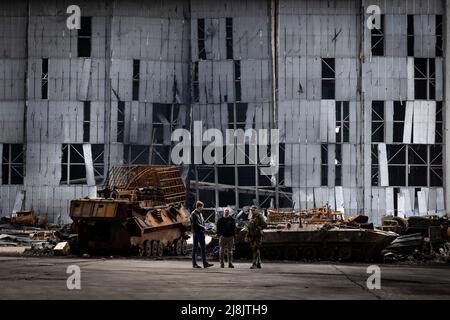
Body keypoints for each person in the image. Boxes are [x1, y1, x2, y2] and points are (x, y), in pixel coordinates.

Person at [190, 201, 214, 268]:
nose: (202, 208)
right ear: (199, 206)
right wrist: (204, 227)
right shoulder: (193, 214)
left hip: (201, 233)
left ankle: (205, 263)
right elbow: (195, 224)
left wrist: (206, 227)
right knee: (195, 248)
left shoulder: (200, 214)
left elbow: (202, 222)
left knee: (203, 248)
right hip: (196, 233)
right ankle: (194, 264)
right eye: (202, 207)